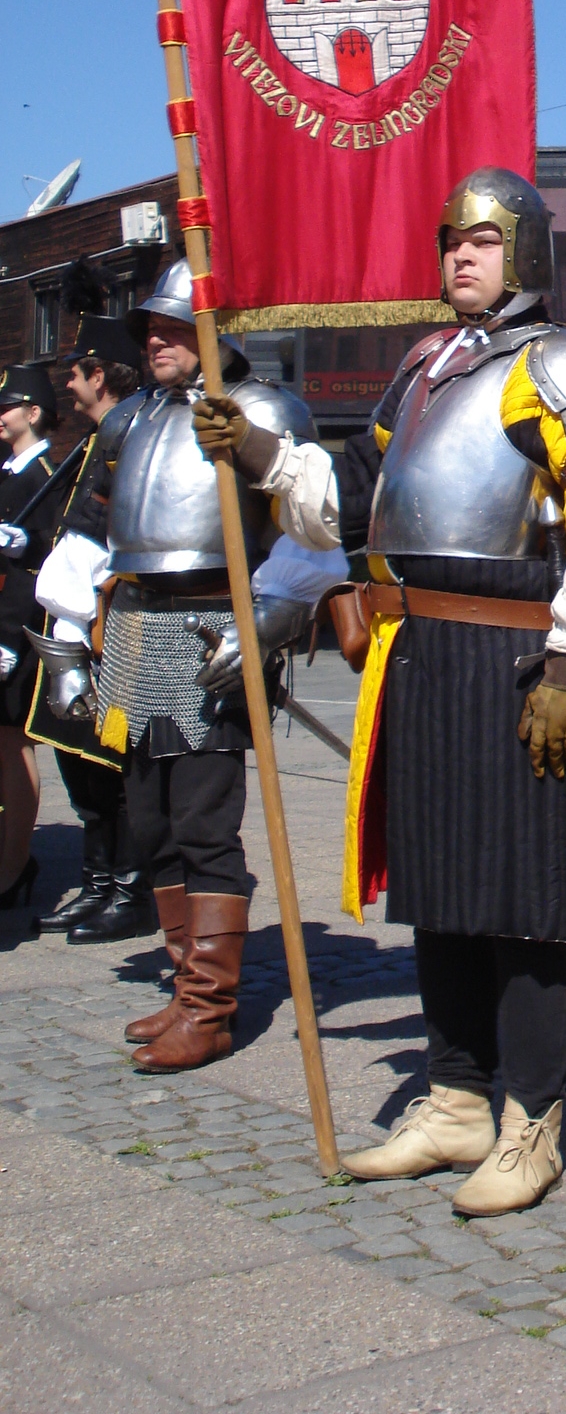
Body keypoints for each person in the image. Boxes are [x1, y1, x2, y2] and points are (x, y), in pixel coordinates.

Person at [197, 169, 566, 1215]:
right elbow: (362, 500)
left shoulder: (562, 357)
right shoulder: (422, 366)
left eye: (486, 240)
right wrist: (265, 450)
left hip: (517, 660)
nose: (462, 253)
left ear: (530, 252)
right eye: (452, 236)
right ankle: (455, 1097)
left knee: (520, 902)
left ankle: (531, 1117)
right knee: (443, 890)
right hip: (414, 655)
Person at [46, 260, 339, 1070]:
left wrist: (268, 623)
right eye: (153, 328)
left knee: (206, 828)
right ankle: (184, 990)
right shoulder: (127, 420)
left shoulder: (265, 411)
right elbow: (86, 535)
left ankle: (209, 1009)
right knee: (152, 824)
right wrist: (70, 647)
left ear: (219, 333)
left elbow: (312, 533)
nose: (157, 340)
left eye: (176, 327)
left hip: (216, 628)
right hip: (138, 629)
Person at [29, 314, 156, 941]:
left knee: (113, 765)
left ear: (99, 374)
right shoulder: (96, 437)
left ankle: (130, 891)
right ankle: (100, 880)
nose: (69, 385)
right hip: (76, 621)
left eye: (76, 372)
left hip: (115, 618)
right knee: (81, 767)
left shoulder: (129, 431)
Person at [0, 364, 63, 911]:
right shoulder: (6, 469)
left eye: (8, 406)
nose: (0, 415)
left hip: (15, 628)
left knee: (10, 746)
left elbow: (51, 566)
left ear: (33, 413)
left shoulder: (47, 471)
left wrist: (34, 546)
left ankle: (14, 865)